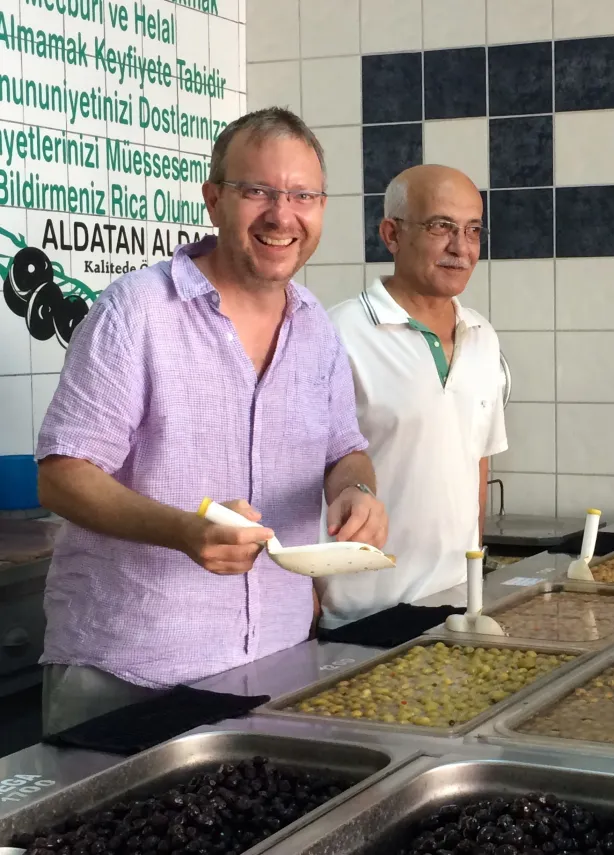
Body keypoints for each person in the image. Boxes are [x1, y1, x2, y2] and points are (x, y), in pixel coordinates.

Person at [35, 107, 389, 733]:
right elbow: (63, 474)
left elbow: (344, 450)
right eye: (258, 191)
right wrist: (182, 531)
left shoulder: (316, 330)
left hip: (275, 667)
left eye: (303, 195)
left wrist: (356, 489)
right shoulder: (137, 314)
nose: (283, 215)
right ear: (214, 200)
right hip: (130, 674)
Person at [319, 164, 506, 628]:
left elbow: (477, 463)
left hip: (457, 604)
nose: (460, 248)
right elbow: (290, 473)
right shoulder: (336, 335)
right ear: (391, 234)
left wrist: (475, 575)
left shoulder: (482, 336)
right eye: (441, 226)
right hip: (362, 613)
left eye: (473, 230)